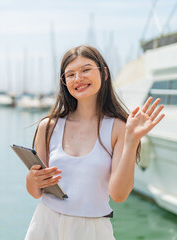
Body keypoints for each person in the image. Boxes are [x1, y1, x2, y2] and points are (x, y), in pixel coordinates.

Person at [24, 45, 165, 240]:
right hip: (46, 225)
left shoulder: (118, 128)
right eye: (70, 74)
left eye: (86, 70)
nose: (78, 78)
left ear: (104, 73)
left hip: (93, 230)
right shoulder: (48, 127)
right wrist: (32, 179)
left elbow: (119, 195)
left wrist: (132, 141)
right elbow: (36, 193)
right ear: (64, 82)